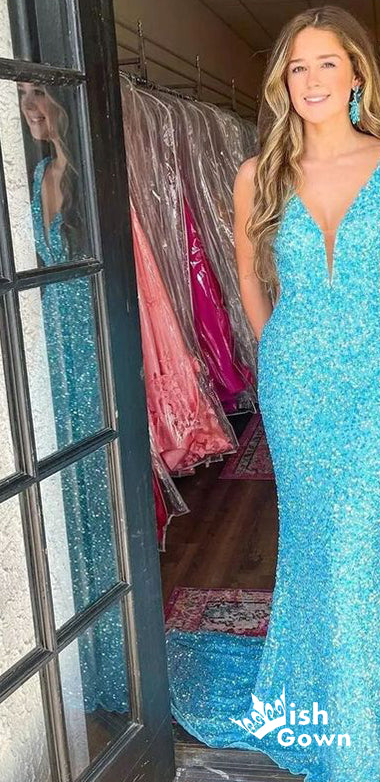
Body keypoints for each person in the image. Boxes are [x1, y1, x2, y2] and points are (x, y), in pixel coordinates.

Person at [166, 4, 380, 781]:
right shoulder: (259, 174)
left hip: (372, 377)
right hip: (295, 380)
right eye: (296, 67)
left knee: (355, 543)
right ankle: (320, 706)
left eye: (326, 63)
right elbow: (248, 277)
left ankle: (349, 718)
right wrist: (274, 348)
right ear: (284, 83)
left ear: (356, 74)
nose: (311, 80)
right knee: (313, 541)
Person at [18, 81, 129, 717]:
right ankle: (80, 614)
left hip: (82, 327)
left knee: (91, 459)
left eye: (39, 97)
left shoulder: (84, 173)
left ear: (61, 101)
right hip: (53, 330)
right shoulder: (40, 175)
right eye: (22, 100)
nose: (31, 111)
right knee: (66, 464)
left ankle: (107, 618)